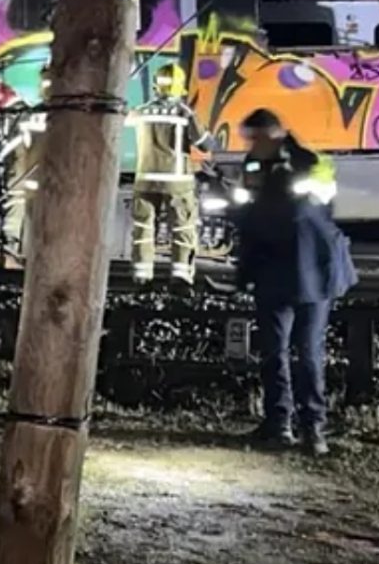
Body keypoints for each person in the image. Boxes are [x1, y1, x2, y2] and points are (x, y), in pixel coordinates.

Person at [235, 109, 357, 456]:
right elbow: (251, 217)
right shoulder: (254, 165)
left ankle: (312, 429)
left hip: (311, 272)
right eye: (249, 138)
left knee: (308, 353)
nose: (251, 145)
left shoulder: (310, 162)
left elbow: (304, 213)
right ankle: (278, 423)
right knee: (274, 351)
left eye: (256, 137)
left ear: (274, 134)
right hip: (278, 271)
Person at [129, 63, 214, 285]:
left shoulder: (142, 110)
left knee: (143, 227)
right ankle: (180, 276)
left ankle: (142, 275)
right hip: (177, 182)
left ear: (157, 85)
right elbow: (205, 144)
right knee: (183, 226)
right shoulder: (184, 112)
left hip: (145, 180)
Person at [0, 66, 50, 267]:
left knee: (18, 210)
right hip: (52, 182)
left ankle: (10, 252)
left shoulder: (29, 115)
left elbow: (17, 150)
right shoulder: (68, 115)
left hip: (30, 179)